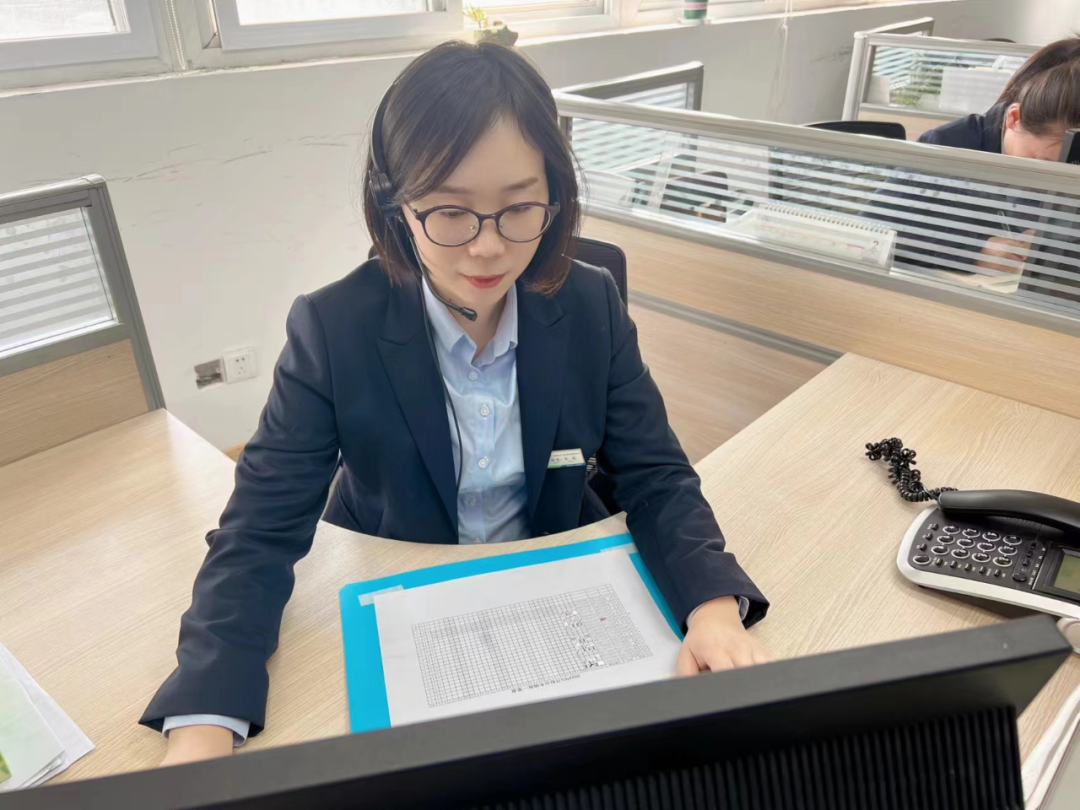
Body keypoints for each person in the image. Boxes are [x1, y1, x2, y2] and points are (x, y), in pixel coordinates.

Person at [142, 40, 770, 767]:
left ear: (554, 196)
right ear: (395, 205)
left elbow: (657, 475)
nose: (487, 249)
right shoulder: (334, 328)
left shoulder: (590, 302)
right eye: (450, 212)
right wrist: (204, 719)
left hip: (555, 579)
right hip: (397, 581)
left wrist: (712, 609)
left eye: (518, 208)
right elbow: (258, 530)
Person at [916, 39, 1080, 274]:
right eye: (1046, 164)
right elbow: (872, 235)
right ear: (1014, 118)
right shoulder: (945, 148)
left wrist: (1057, 238)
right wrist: (973, 253)